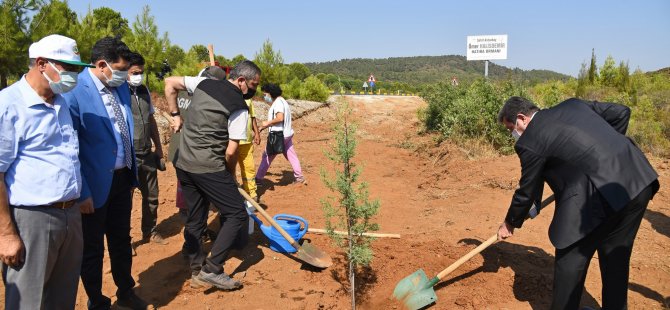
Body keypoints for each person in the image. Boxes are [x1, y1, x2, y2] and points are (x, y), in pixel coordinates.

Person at [496, 97, 660, 310]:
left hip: (593, 199)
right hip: (635, 180)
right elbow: (621, 112)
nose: (513, 135)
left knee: (570, 260)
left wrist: (509, 223)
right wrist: (604, 156)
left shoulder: (530, 140)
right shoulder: (573, 105)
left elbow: (527, 189)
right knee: (615, 256)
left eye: (511, 128)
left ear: (521, 118)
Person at [0, 34, 92, 310]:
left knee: (62, 298)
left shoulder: (60, 101)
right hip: (33, 220)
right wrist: (6, 234)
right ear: (41, 63)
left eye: (77, 68)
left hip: (69, 215)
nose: (74, 75)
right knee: (29, 301)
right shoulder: (9, 104)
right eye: (68, 67)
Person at [63, 37, 149, 310]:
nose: (125, 75)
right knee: (92, 249)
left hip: (122, 178)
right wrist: (83, 191)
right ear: (102, 65)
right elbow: (70, 148)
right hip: (93, 185)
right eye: (121, 69)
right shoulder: (73, 93)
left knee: (121, 239)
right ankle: (97, 301)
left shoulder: (120, 87)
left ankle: (126, 290)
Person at [164, 60, 261, 291]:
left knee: (196, 216)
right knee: (236, 214)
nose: (254, 90)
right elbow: (231, 150)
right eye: (253, 85)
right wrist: (229, 177)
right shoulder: (238, 106)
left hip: (184, 163)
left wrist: (176, 115)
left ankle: (196, 267)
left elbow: (169, 83)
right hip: (208, 167)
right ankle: (212, 269)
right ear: (240, 80)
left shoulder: (204, 83)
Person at [126, 51, 167, 245]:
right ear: (125, 71)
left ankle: (150, 230)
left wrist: (158, 147)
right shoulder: (119, 92)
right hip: (128, 156)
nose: (138, 75)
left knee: (152, 196)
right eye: (135, 72)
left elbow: (151, 120)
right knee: (124, 202)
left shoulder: (144, 90)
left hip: (146, 152)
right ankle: (124, 240)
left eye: (141, 72)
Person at [255, 83, 306, 185]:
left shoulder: (278, 103)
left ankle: (258, 179)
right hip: (286, 133)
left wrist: (267, 123)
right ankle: (299, 177)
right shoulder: (283, 101)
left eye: (265, 94)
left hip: (278, 135)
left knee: (267, 155)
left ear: (271, 93)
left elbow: (280, 118)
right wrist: (262, 127)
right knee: (292, 156)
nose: (264, 96)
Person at [238, 98, 261, 201]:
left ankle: (251, 193)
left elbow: (252, 116)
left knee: (249, 168)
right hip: (231, 142)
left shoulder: (248, 99)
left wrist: (256, 133)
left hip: (247, 141)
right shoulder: (227, 93)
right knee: (229, 170)